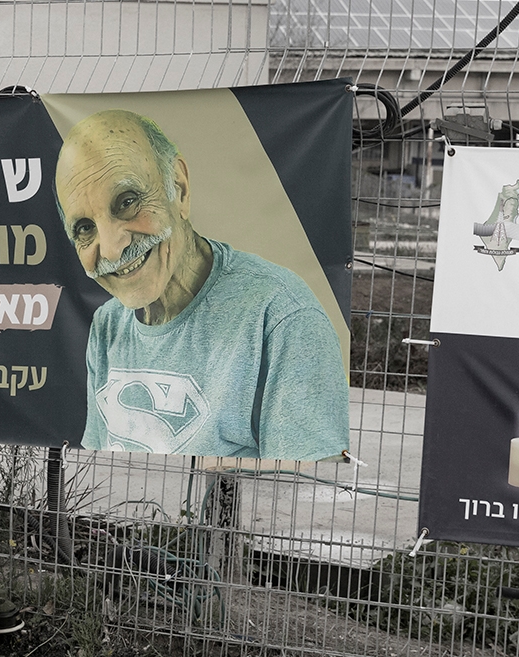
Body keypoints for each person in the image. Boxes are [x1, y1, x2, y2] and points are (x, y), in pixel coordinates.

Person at [54, 109, 349, 460]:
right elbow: (101, 472)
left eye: (128, 201)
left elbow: (302, 493)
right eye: (85, 228)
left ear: (178, 189)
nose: (113, 247)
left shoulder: (281, 315)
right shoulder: (109, 323)